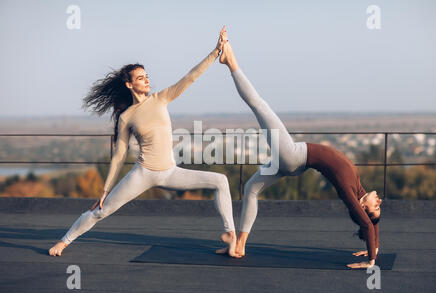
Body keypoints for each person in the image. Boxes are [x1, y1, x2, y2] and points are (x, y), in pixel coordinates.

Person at [49, 27, 241, 258]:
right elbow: (119, 155)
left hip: (170, 172)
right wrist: (105, 190)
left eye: (147, 76)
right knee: (101, 210)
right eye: (140, 77)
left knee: (220, 180)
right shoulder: (126, 117)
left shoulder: (161, 99)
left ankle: (230, 235)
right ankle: (64, 241)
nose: (146, 80)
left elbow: (190, 77)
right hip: (143, 174)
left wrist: (216, 50)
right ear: (130, 85)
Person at [217, 29, 382, 268]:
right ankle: (240, 245)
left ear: (363, 207)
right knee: (251, 187)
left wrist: (371, 260)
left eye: (375, 207)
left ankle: (230, 60)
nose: (379, 201)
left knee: (260, 105)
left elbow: (366, 223)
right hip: (295, 164)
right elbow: (372, 224)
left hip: (293, 155)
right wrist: (374, 245)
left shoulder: (350, 190)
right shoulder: (359, 188)